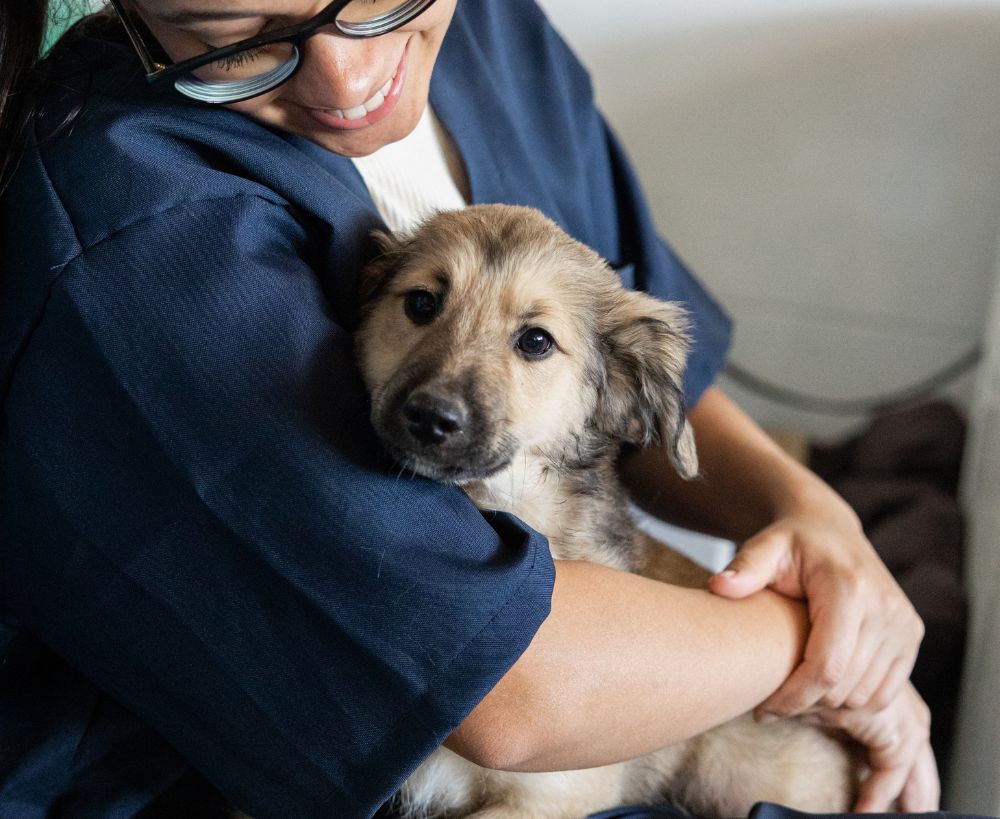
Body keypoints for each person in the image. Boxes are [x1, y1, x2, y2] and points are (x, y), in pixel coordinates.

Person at [0, 1, 938, 817]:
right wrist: (825, 645)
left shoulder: (491, 30)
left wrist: (816, 521)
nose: (347, 77)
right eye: (236, 35)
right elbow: (509, 688)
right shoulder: (137, 225)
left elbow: (638, 383)